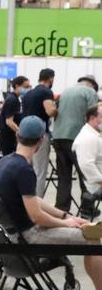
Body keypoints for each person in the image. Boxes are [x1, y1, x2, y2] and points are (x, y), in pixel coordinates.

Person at [0, 116, 102, 290]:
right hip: (27, 235)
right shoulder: (24, 170)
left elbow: (35, 201)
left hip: (12, 231)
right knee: (92, 239)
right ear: (42, 140)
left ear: (18, 135)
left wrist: (66, 216)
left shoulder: (6, 162)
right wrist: (66, 224)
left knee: (85, 230)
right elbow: (37, 216)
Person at [52, 75, 98, 212]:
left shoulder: (65, 91)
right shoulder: (90, 92)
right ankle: (87, 207)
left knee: (63, 176)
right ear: (91, 84)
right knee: (85, 173)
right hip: (76, 137)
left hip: (59, 137)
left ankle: (61, 208)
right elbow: (94, 115)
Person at [22, 68, 58, 197]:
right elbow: (49, 111)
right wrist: (56, 108)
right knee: (40, 171)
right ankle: (37, 203)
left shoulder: (28, 94)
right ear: (51, 78)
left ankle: (25, 199)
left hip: (24, 135)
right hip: (39, 135)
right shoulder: (46, 92)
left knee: (27, 169)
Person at [72, 103, 102, 217]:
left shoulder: (92, 134)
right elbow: (86, 165)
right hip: (97, 185)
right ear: (93, 118)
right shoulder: (88, 138)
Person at [0, 75, 30, 156]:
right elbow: (9, 121)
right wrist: (20, 132)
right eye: (25, 87)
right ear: (17, 86)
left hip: (10, 136)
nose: (27, 89)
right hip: (8, 137)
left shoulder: (16, 99)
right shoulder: (12, 100)